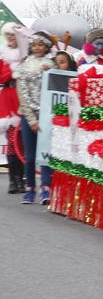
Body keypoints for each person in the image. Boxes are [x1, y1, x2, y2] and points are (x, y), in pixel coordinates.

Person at [15, 32, 55, 204]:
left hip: (47, 115)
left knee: (45, 153)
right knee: (30, 156)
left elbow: (55, 90)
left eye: (41, 45)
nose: (37, 48)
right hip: (28, 115)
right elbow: (22, 94)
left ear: (46, 47)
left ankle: (46, 187)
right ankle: (30, 187)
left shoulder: (52, 64)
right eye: (35, 45)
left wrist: (51, 71)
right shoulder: (24, 66)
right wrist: (31, 120)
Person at [1, 23, 25, 194]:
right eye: (8, 35)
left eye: (13, 35)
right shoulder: (3, 55)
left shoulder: (25, 55)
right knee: (11, 140)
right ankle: (13, 179)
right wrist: (12, 72)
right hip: (9, 97)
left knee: (23, 141)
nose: (11, 38)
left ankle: (21, 178)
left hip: (23, 97)